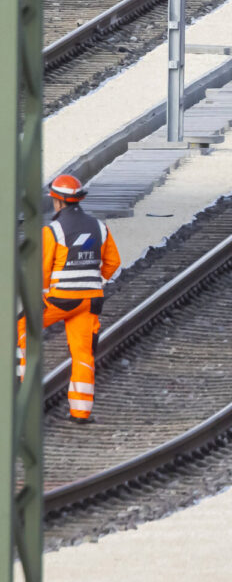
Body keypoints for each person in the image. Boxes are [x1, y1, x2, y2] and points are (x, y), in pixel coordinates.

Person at [18, 174, 121, 423]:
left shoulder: (53, 231)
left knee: (20, 328)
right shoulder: (99, 227)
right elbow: (113, 263)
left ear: (57, 202)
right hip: (91, 301)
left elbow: (41, 270)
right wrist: (94, 281)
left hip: (61, 300)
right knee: (83, 353)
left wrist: (44, 289)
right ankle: (81, 412)